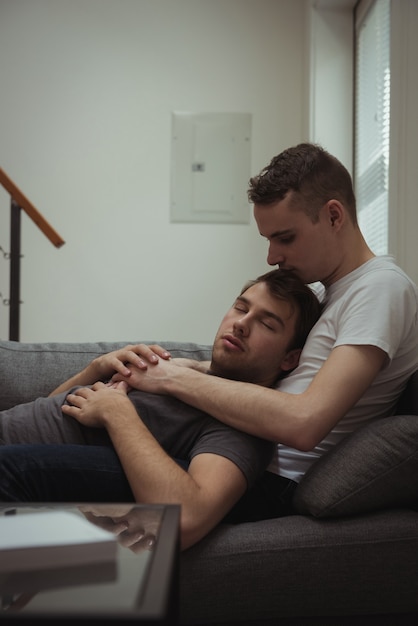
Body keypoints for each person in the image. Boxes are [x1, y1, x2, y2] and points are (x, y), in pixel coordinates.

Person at [103, 142, 418, 519]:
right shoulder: (324, 291)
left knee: (24, 470)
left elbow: (305, 422)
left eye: (285, 238)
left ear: (334, 216)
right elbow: (284, 378)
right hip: (226, 449)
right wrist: (187, 366)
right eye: (268, 240)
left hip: (266, 478)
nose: (272, 257)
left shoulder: (382, 288)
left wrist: (171, 378)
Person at [0, 269, 321, 550]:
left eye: (266, 324)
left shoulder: (246, 424)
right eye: (240, 308)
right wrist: (93, 371)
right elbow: (49, 410)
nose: (241, 324)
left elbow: (189, 514)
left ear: (289, 359)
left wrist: (117, 412)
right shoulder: (175, 370)